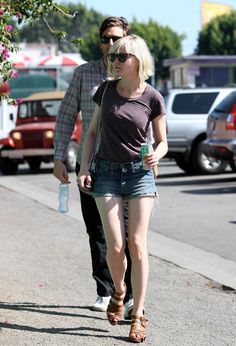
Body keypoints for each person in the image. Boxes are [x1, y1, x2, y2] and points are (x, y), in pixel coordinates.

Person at [77, 34, 168, 343]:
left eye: (121, 57)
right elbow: (91, 133)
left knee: (137, 244)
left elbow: (163, 140)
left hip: (140, 174)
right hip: (106, 173)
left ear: (137, 61)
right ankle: (119, 290)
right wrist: (84, 167)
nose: (114, 61)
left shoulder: (153, 97)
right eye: (112, 56)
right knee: (115, 245)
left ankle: (139, 314)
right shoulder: (105, 91)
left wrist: (159, 153)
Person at [53, 17, 134, 315]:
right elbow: (65, 115)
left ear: (127, 40)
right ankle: (104, 290)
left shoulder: (136, 75)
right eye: (105, 38)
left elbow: (147, 123)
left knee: (127, 234)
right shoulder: (84, 74)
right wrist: (58, 156)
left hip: (128, 168)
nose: (110, 44)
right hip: (91, 166)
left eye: (116, 39)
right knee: (97, 231)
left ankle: (128, 294)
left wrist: (150, 161)